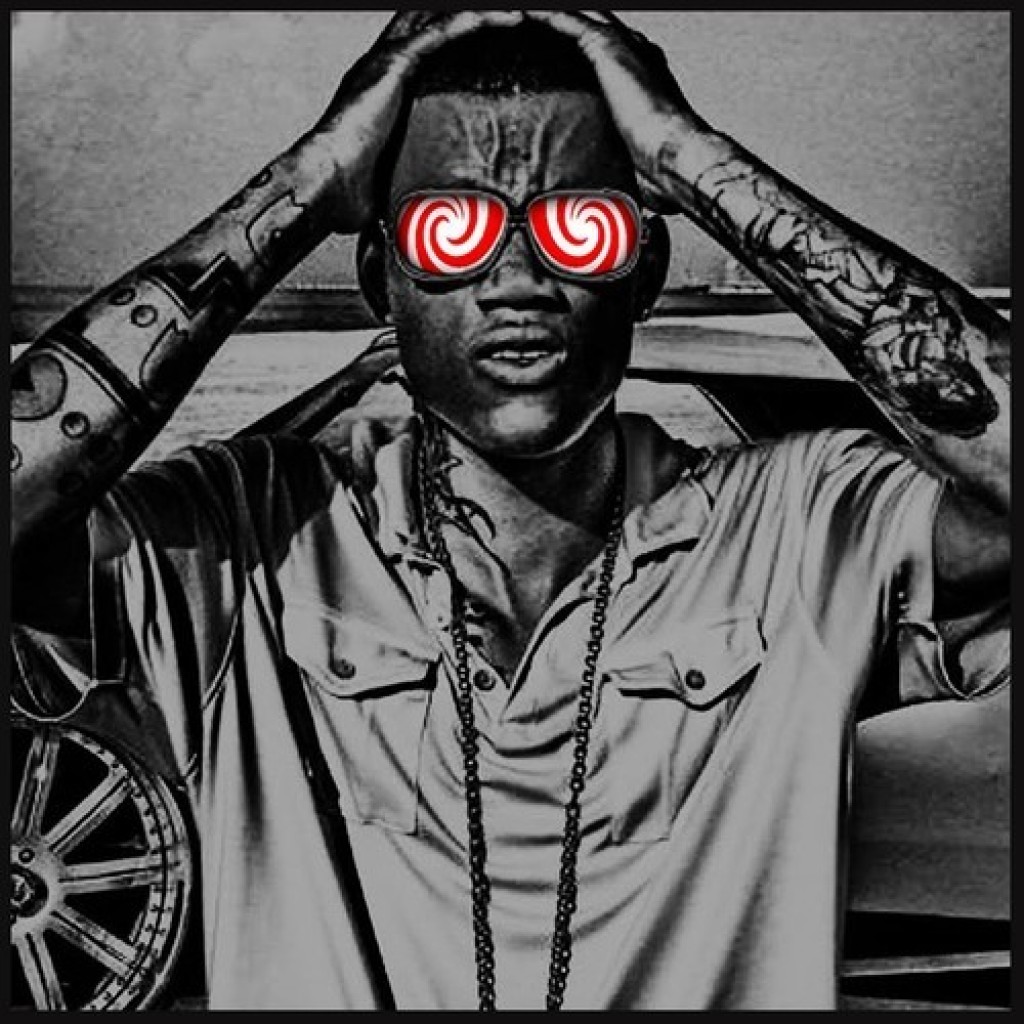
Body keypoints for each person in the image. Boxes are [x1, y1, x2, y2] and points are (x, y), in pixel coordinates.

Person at [10, 10, 1009, 1011]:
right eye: (452, 229)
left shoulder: (799, 529)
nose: (520, 280)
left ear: (647, 270)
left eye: (582, 226)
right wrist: (303, 187)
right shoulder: (248, 541)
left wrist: (695, 161)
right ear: (380, 279)